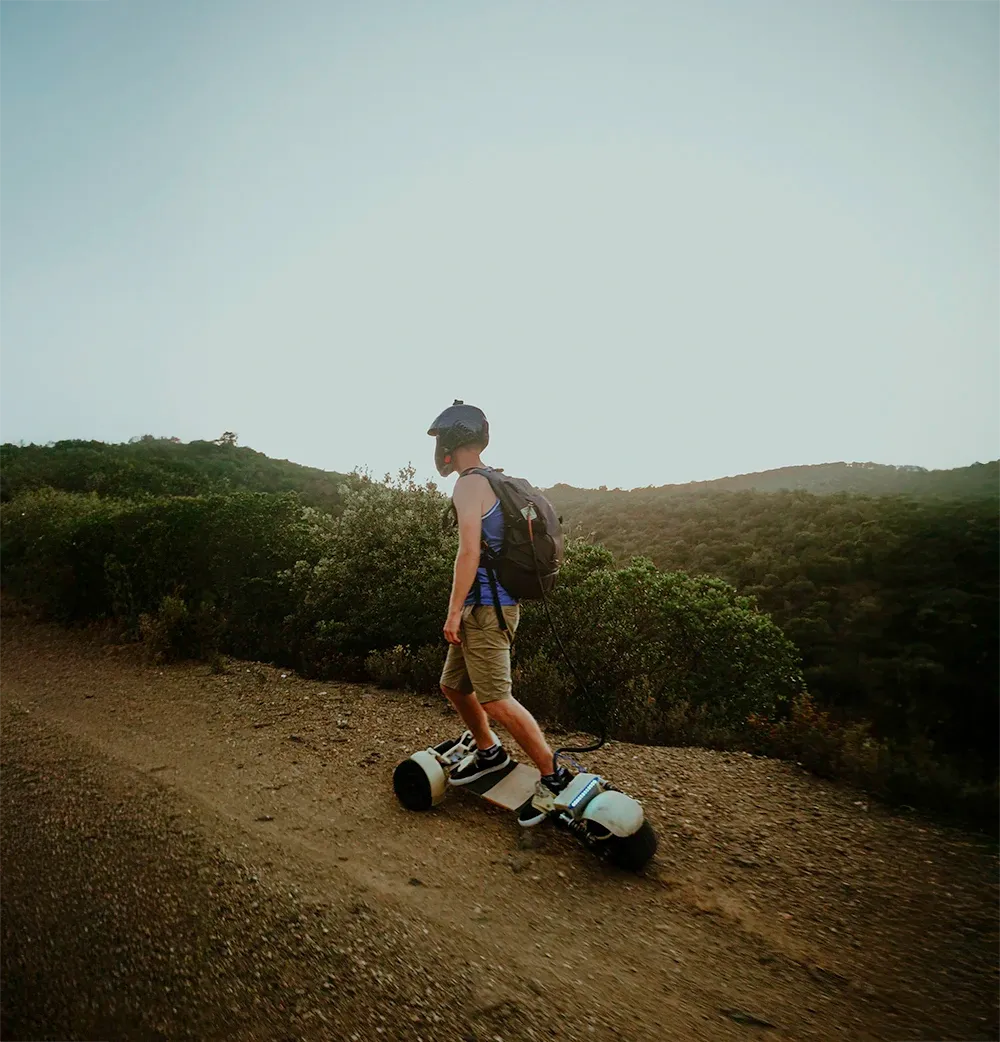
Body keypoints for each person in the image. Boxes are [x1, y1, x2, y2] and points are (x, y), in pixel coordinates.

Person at [428, 400, 573, 827]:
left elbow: (468, 552)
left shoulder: (469, 485)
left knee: (495, 697)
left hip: (486, 609)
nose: (440, 452)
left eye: (441, 443)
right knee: (454, 685)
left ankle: (554, 776)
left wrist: (454, 612)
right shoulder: (494, 480)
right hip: (488, 606)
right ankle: (488, 751)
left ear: (452, 443)